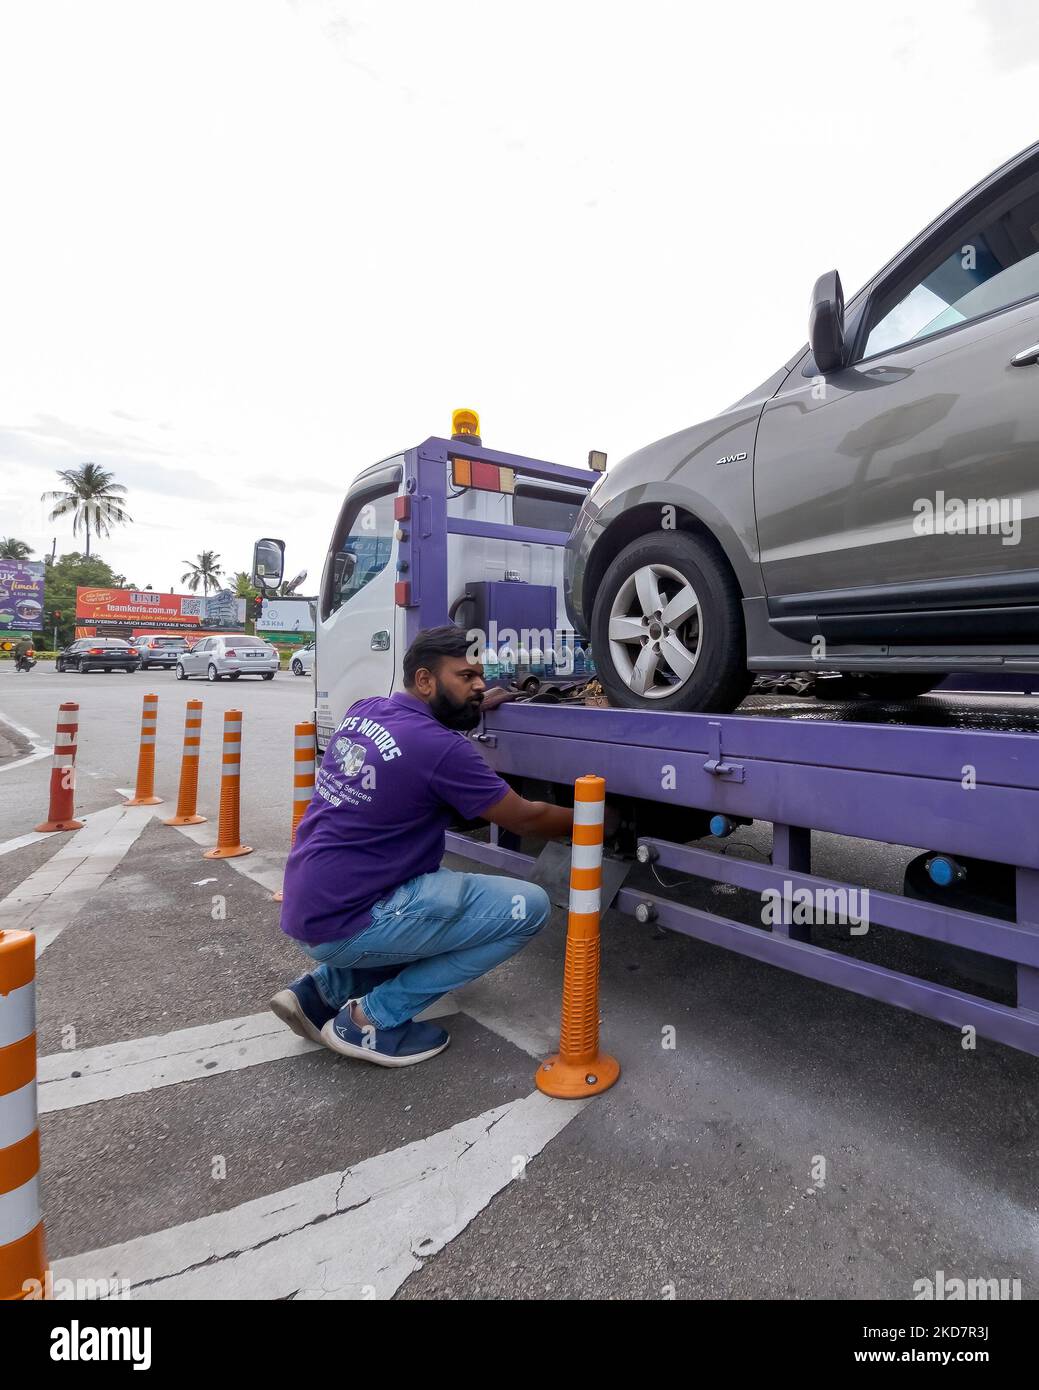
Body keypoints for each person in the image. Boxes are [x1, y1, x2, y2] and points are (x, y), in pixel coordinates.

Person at [270, 625, 574, 1067]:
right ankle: (372, 1020)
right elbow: (524, 817)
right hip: (353, 920)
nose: (479, 687)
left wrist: (472, 705)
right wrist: (596, 818)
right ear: (427, 680)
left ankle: (319, 994)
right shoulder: (441, 749)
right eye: (466, 677)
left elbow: (414, 740)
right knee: (526, 908)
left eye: (480, 679)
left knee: (436, 906)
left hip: (311, 907)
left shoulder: (365, 711)